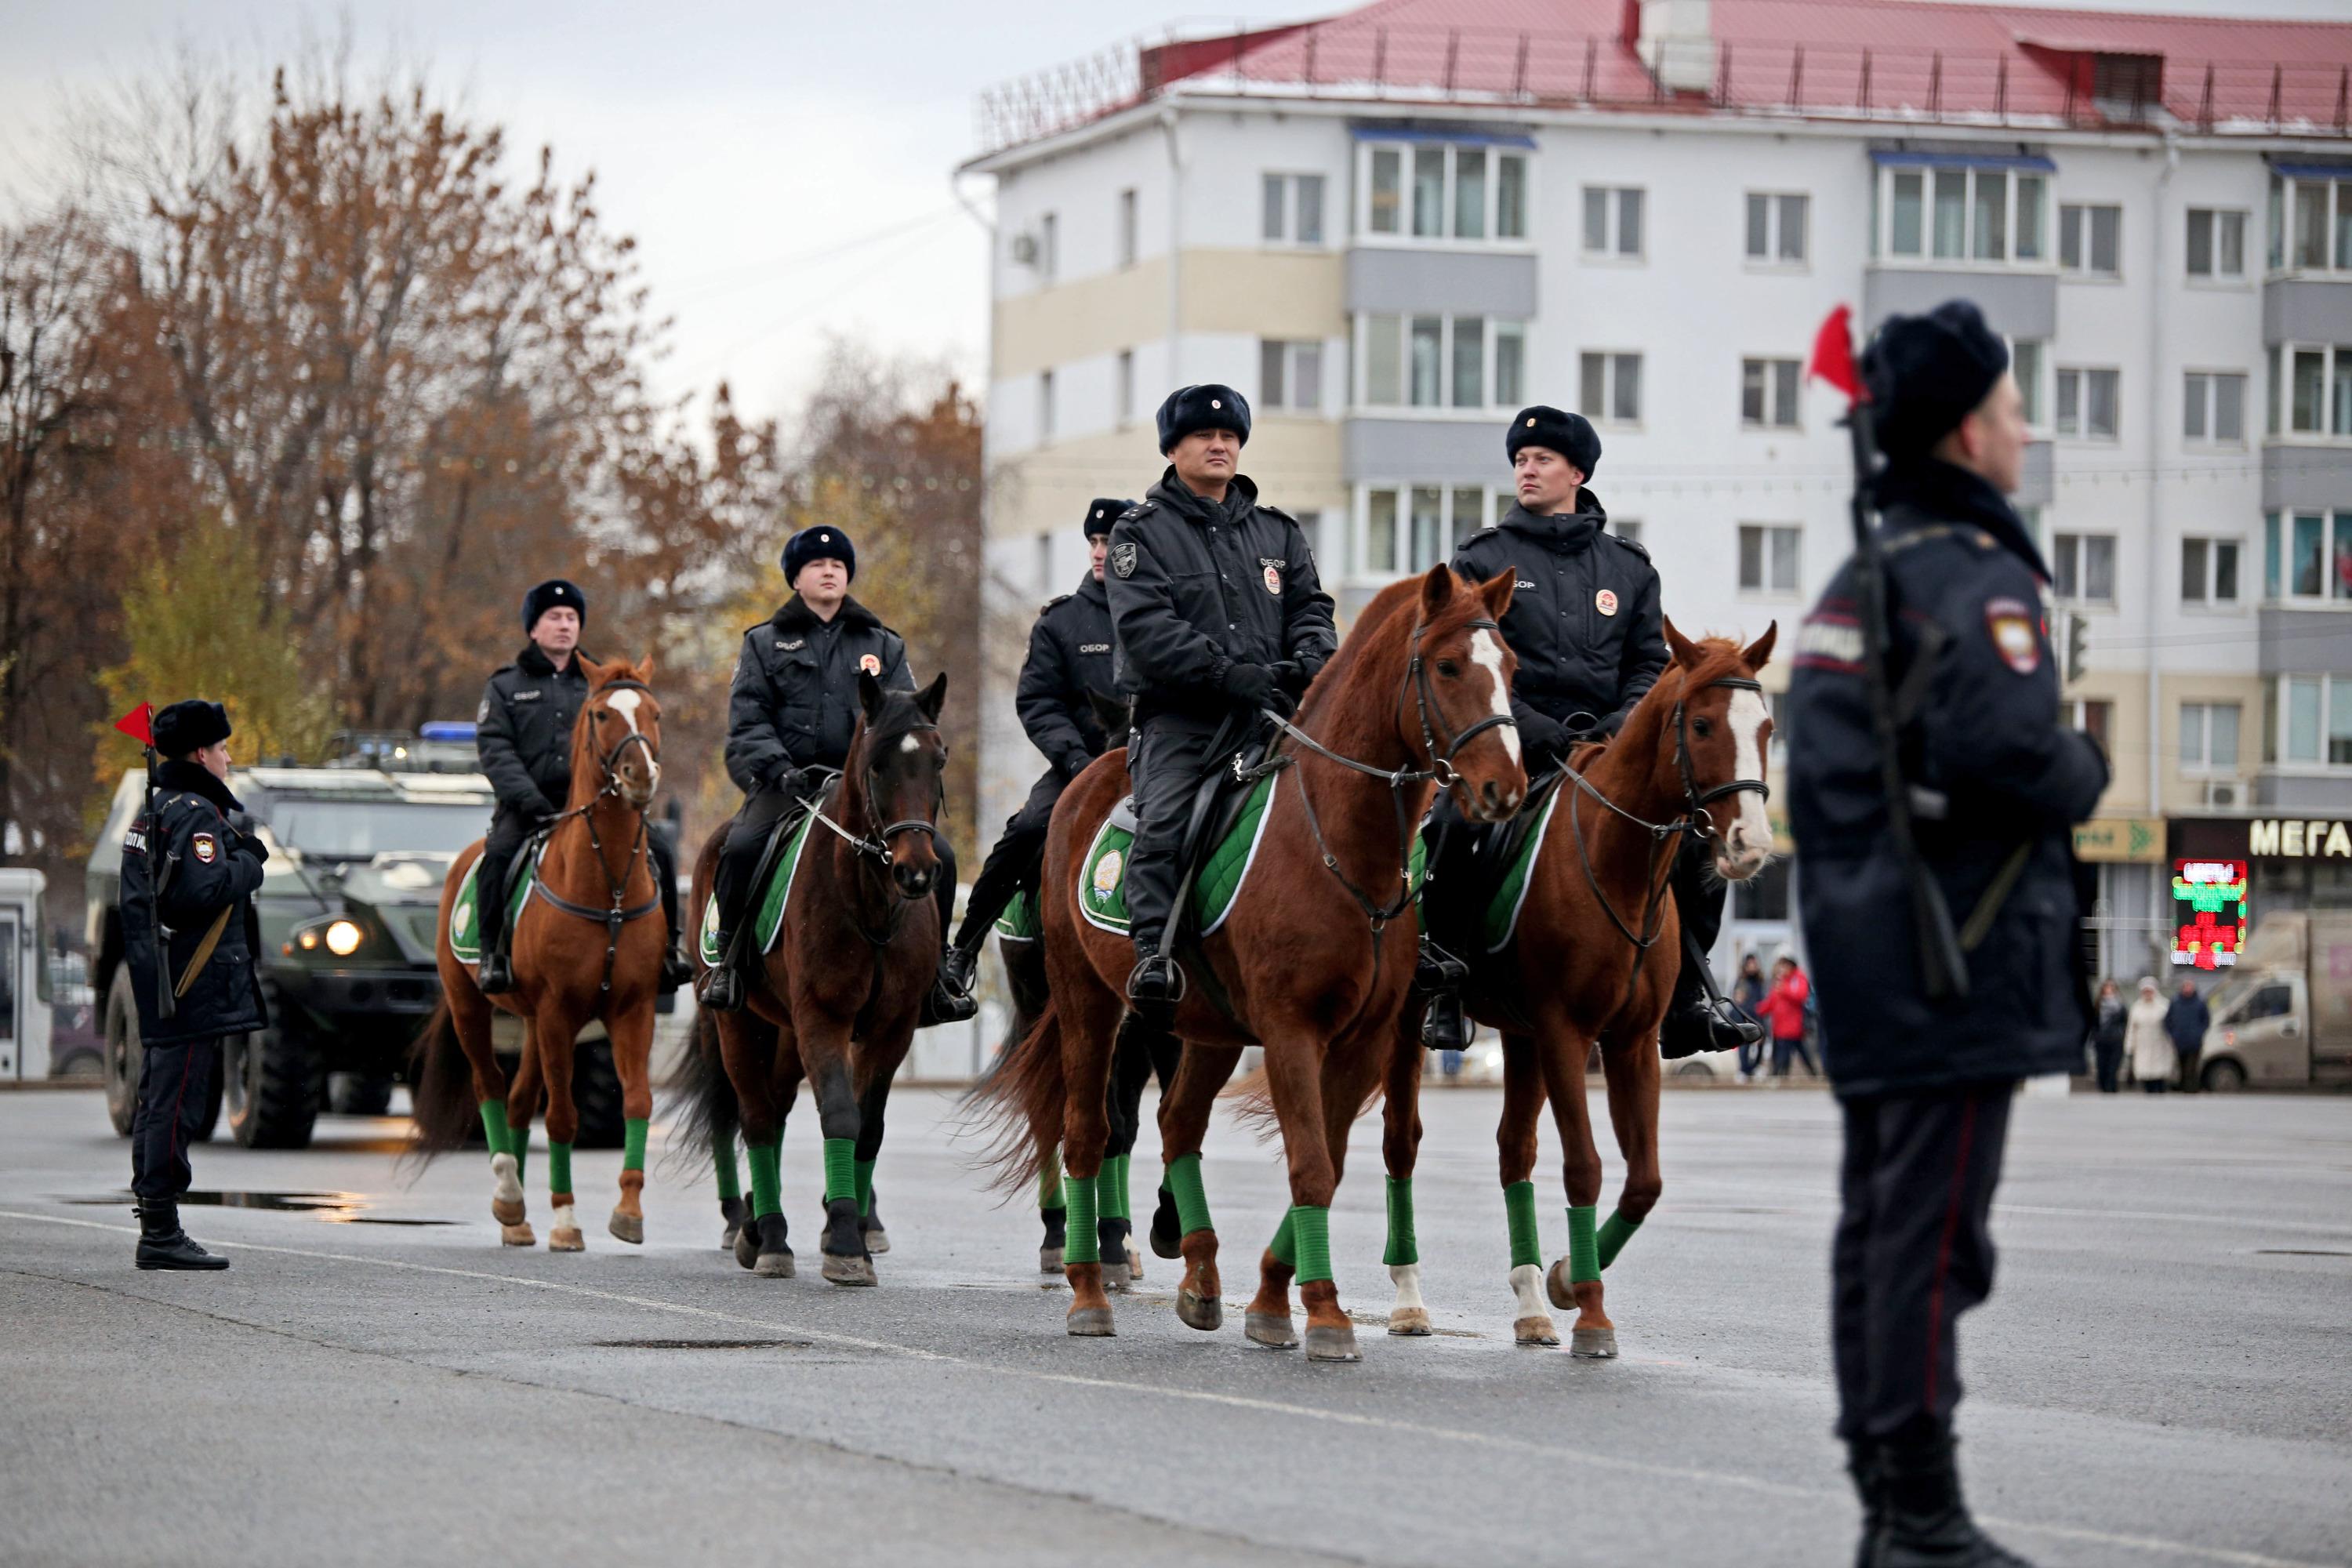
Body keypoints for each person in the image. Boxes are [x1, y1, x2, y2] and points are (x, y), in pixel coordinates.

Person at [1790, 299, 2110, 1567]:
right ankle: (1917, 1516)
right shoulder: (1970, 576)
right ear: (1970, 430)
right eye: (2016, 407)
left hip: (1879, 953)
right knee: (1931, 1238)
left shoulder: (1859, 577)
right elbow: (2012, 748)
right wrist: (2083, 761)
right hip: (1954, 955)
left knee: (1886, 1228)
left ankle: (1894, 1502)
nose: (2027, 430)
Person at [1415, 405, 1764, 1061]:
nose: (1527, 469)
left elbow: (1648, 664)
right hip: (1515, 745)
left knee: (1695, 841)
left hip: (1613, 753)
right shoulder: (1484, 557)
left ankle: (1689, 998)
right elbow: (1471, 665)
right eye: (1520, 460)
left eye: (1541, 459)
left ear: (1577, 472)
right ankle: (1447, 987)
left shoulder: (1628, 567)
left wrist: (1621, 724)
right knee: (1453, 827)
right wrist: (1537, 729)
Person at [1107, 384, 1337, 1022]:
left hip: (1273, 712)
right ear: (1174, 449)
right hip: (1183, 718)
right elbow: (1146, 628)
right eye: (1204, 437)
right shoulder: (1140, 533)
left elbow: (1313, 610)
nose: (1219, 446)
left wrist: (1312, 661)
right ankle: (1153, 950)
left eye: (1230, 437)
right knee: (1166, 820)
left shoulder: (1277, 533)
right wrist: (1224, 673)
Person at [700, 525, 971, 1022]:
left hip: (865, 791)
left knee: (943, 857)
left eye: (839, 566)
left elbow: (910, 716)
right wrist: (779, 770)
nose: (829, 572)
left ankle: (938, 974)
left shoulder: (882, 645)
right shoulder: (764, 643)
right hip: (789, 785)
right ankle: (730, 963)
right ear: (796, 579)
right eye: (817, 566)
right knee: (740, 848)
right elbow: (748, 719)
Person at [936, 498, 1131, 1007]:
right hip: (1079, 769)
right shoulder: (1061, 623)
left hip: (1159, 765)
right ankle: (963, 951)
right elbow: (1038, 701)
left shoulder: (1163, 616)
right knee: (1026, 830)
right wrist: (1075, 761)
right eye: (1093, 541)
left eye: (1109, 542)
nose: (1098, 551)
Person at [474, 579, 691, 996]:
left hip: (597, 808)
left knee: (660, 849)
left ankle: (667, 954)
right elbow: (495, 749)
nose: (564, 626)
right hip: (529, 809)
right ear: (534, 629)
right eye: (554, 618)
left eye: (572, 618)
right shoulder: (505, 685)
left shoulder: (601, 685)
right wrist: (528, 798)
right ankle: (493, 955)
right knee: (498, 855)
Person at [120, 700, 273, 1270]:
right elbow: (199, 894)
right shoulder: (196, 813)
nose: (229, 760)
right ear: (202, 754)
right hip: (190, 980)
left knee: (158, 1099)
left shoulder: (156, 809)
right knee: (176, 1102)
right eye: (225, 749)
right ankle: (160, 1231)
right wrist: (249, 861)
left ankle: (157, 1223)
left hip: (162, 978)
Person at [1755, 953, 1817, 1079]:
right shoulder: (1780, 981)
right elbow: (1771, 1002)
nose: (1782, 969)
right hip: (1779, 1027)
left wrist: (1784, 990)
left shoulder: (1798, 978)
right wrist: (1756, 1010)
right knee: (1785, 1053)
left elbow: (1801, 996)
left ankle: (1783, 1075)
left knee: (1789, 1053)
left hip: (1793, 1027)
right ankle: (1783, 1074)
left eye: (1785, 965)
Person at [2125, 977, 2174, 1093]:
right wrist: (2129, 1046)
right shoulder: (2137, 1007)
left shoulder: (2164, 1006)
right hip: (2143, 1044)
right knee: (2146, 1073)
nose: (2148, 994)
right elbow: (2131, 1029)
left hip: (2161, 1044)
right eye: (2145, 991)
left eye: (2150, 991)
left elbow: (2172, 1024)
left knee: (2159, 1073)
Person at [2165, 978, 2210, 1093]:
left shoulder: (2200, 1002)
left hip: (2194, 1041)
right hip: (2180, 1040)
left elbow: (2206, 1020)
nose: (2188, 989)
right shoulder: (2176, 1002)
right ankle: (2183, 1086)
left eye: (2190, 986)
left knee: (2192, 1067)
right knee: (2182, 1065)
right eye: (2186, 986)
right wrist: (2173, 1033)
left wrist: (2198, 1033)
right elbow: (2168, 1020)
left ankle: (2191, 1088)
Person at [1732, 953, 1769, 1080]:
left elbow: (1763, 1000)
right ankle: (1744, 1070)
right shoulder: (1741, 981)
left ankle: (1755, 1068)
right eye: (1750, 964)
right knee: (1744, 1045)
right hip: (1744, 1018)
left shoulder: (1760, 982)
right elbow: (1738, 1001)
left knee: (1760, 1044)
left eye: (1755, 963)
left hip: (1759, 1017)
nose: (1753, 966)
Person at [2089, 980, 2128, 1094]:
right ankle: (2103, 1088)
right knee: (2101, 1067)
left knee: (2113, 1068)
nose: (2109, 990)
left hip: (2116, 1040)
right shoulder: (2097, 1005)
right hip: (2101, 1041)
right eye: (2107, 988)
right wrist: (2095, 1037)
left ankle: (2112, 1089)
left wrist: (2121, 1033)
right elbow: (2093, 1023)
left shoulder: (2120, 1006)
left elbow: (2125, 1022)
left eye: (2111, 988)